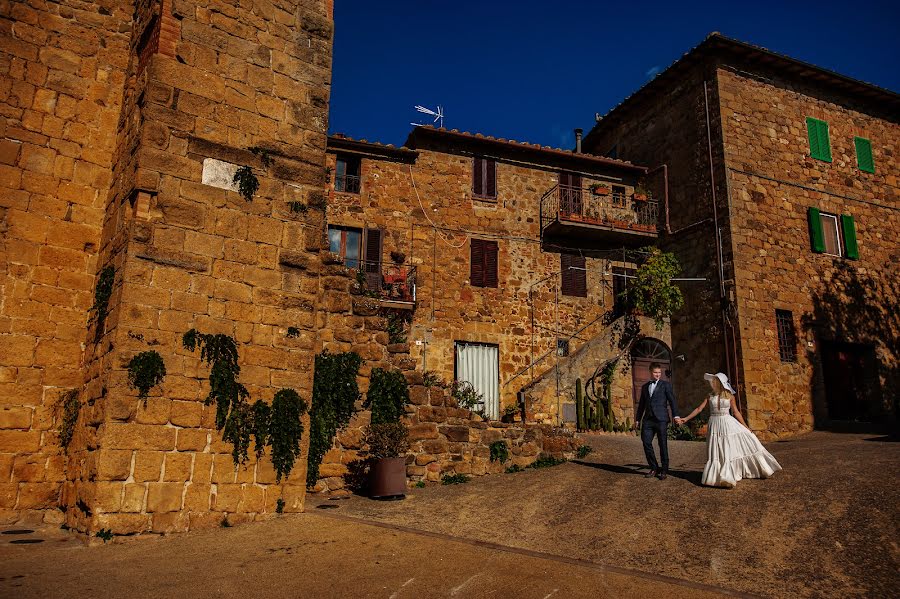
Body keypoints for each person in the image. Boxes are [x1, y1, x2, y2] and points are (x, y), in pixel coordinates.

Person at [678, 372, 782, 488]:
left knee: (726, 447)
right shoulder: (709, 395)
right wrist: (685, 419)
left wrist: (746, 427)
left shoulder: (730, 396)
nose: (712, 383)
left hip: (727, 423)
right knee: (716, 449)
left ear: (720, 383)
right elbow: (699, 409)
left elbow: (736, 412)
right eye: (713, 381)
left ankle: (728, 476)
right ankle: (716, 476)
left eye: (715, 381)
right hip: (714, 423)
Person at [635, 362, 679, 480]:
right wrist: (638, 419)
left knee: (662, 445)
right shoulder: (644, 387)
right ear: (650, 372)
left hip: (661, 419)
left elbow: (672, 401)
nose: (658, 375)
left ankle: (664, 470)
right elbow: (641, 405)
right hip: (648, 420)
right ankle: (654, 467)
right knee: (646, 442)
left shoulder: (666, 385)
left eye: (659, 372)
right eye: (655, 372)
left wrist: (676, 415)